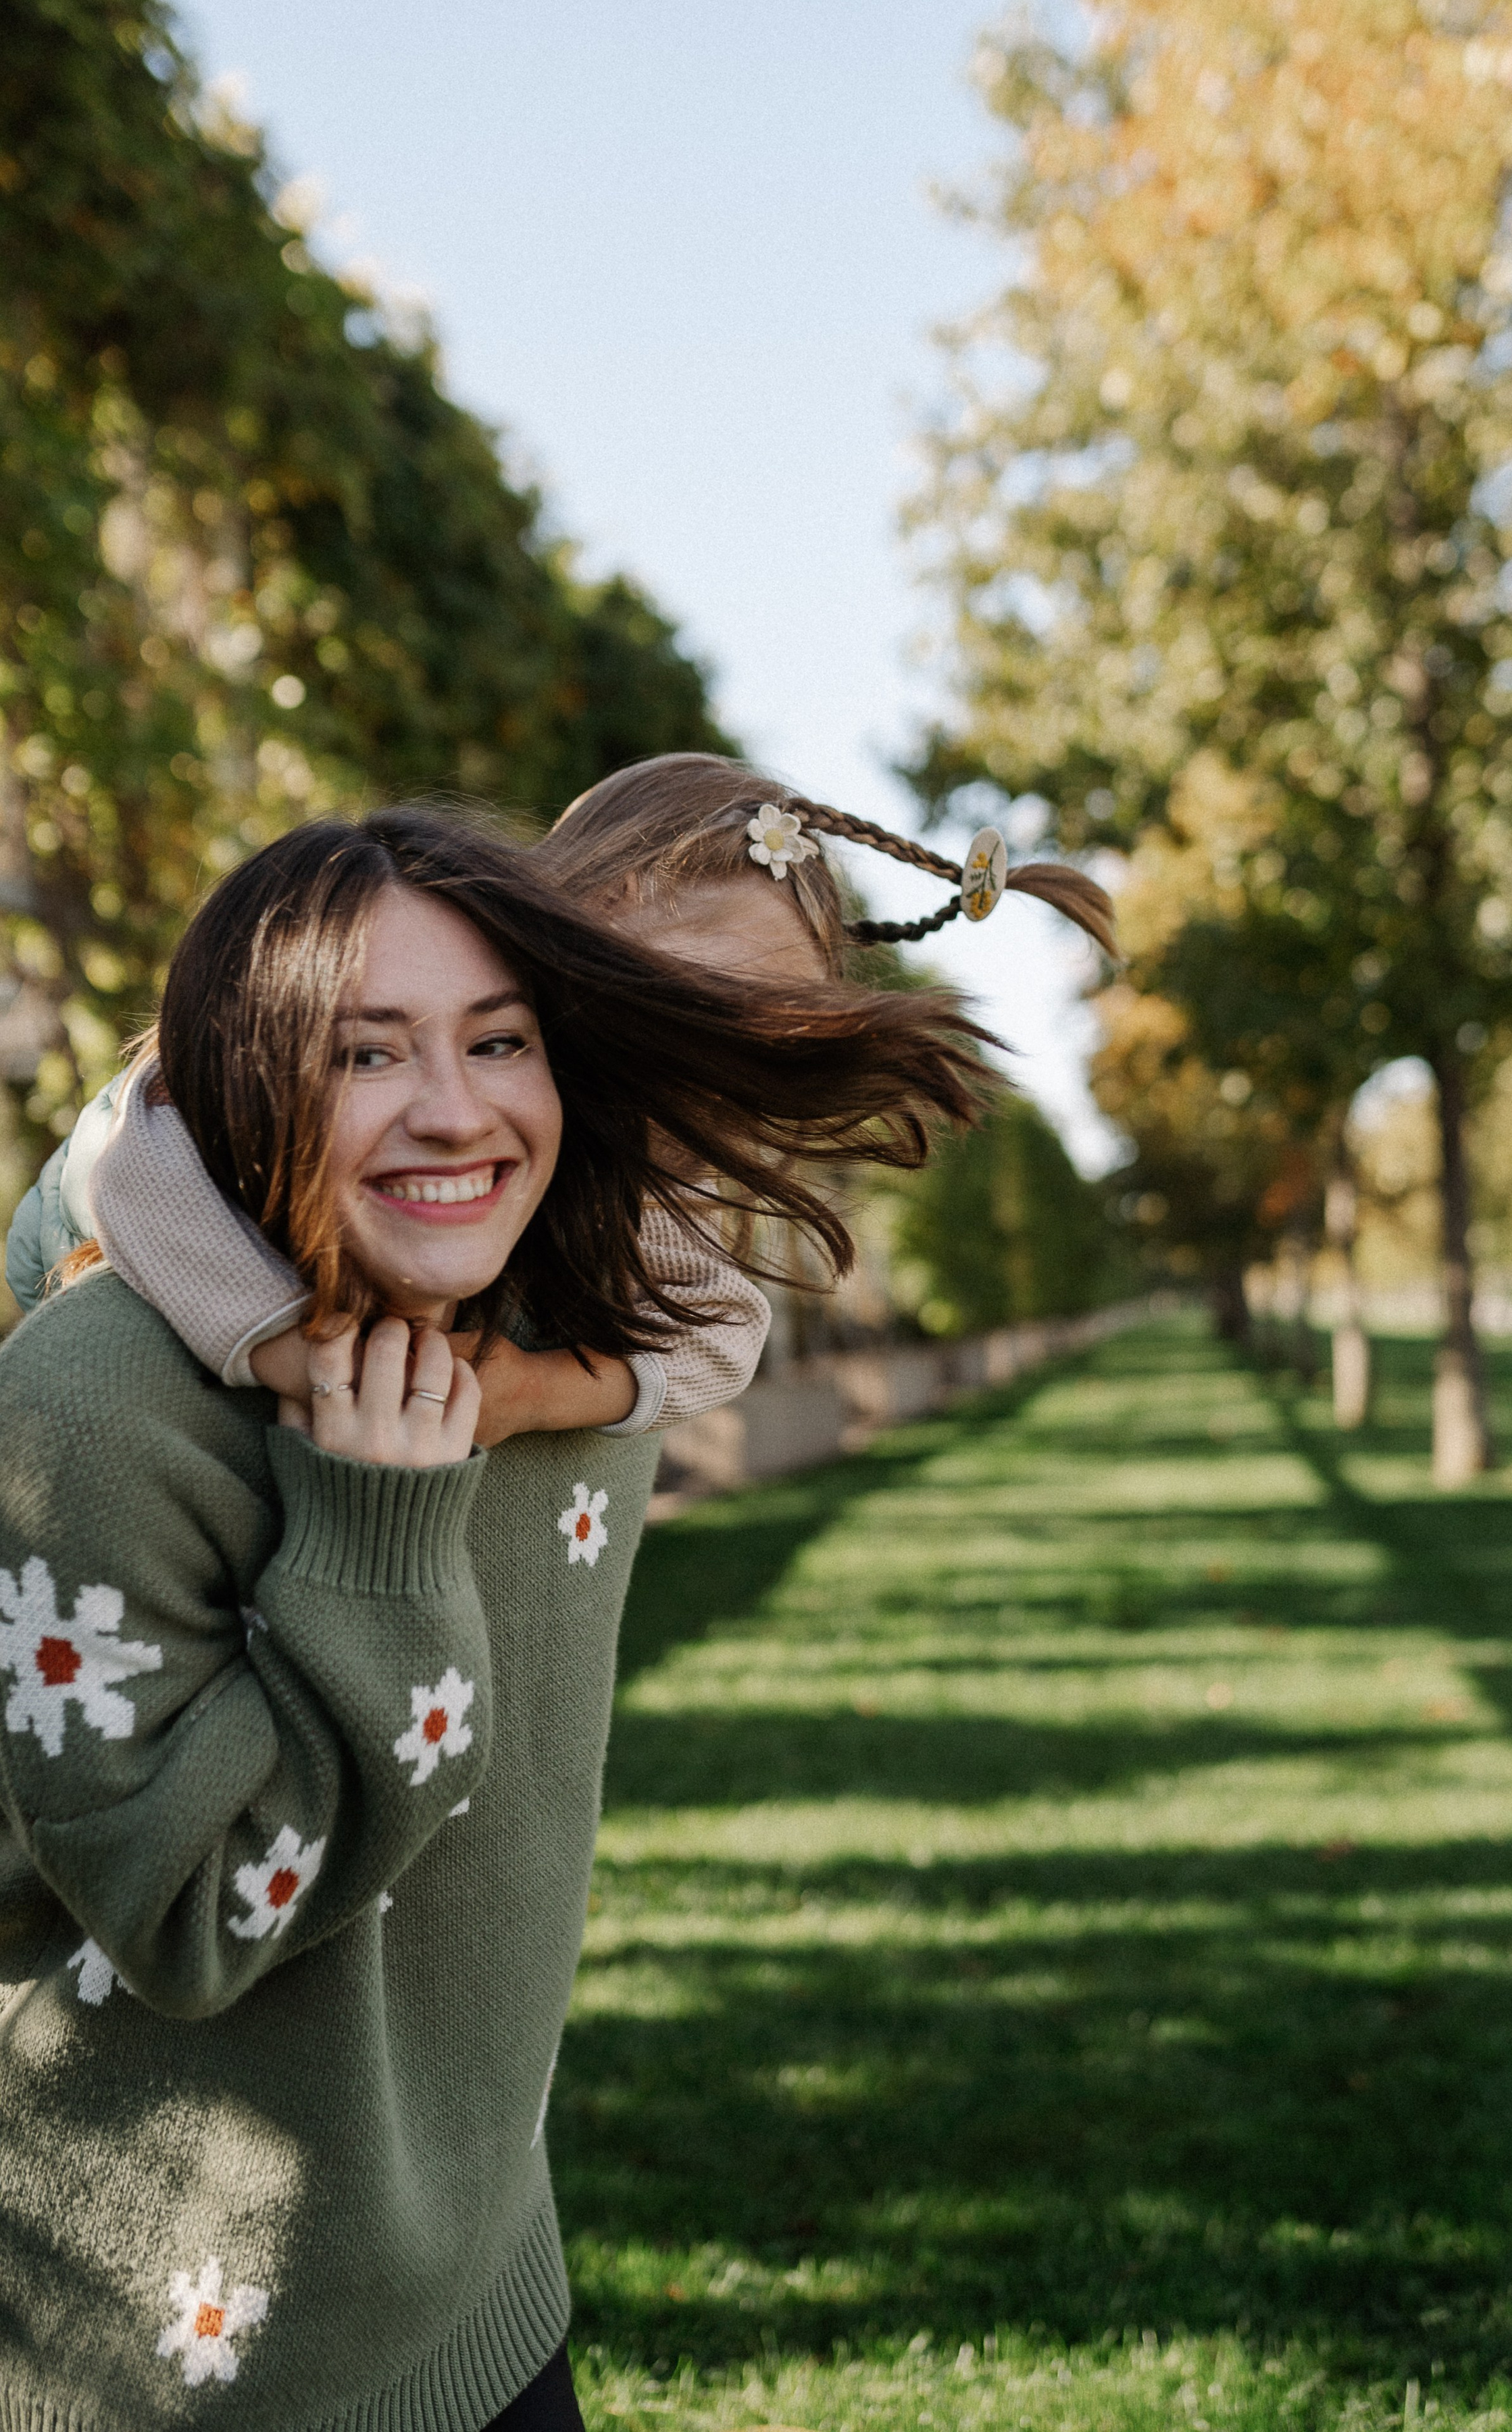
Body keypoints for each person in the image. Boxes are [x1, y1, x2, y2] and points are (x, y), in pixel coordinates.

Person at [0, 805, 992, 2431]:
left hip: (482, 2284)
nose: (453, 1103)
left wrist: (535, 1382)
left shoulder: (571, 1290)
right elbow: (191, 1922)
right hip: (198, 2361)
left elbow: (725, 1307)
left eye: (499, 1040)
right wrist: (339, 1464)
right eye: (363, 1051)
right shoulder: (100, 1400)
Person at [5, 755, 1115, 1442]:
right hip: (74, 1248)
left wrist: (528, 1392)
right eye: (678, 1019)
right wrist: (312, 1360)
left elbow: (725, 1328)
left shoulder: (601, 1130)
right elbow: (138, 1183)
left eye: (735, 1060)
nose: (696, 1085)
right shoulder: (423, 975)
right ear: (603, 915)